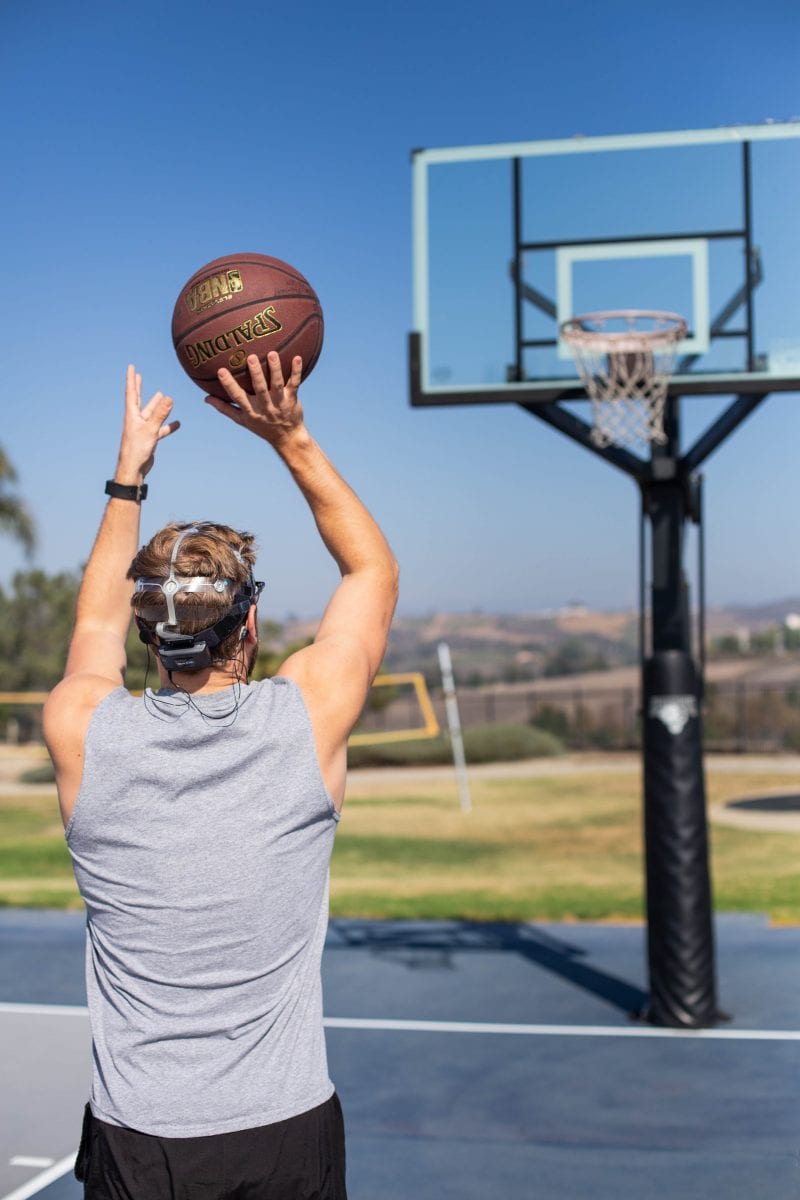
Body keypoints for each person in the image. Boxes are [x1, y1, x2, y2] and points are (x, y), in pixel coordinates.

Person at [43, 351, 399, 1199]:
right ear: (247, 629)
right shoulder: (305, 718)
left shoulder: (82, 729)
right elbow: (371, 573)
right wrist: (290, 436)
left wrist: (128, 475)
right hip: (282, 1132)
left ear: (145, 637)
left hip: (141, 1138)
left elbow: (92, 614)